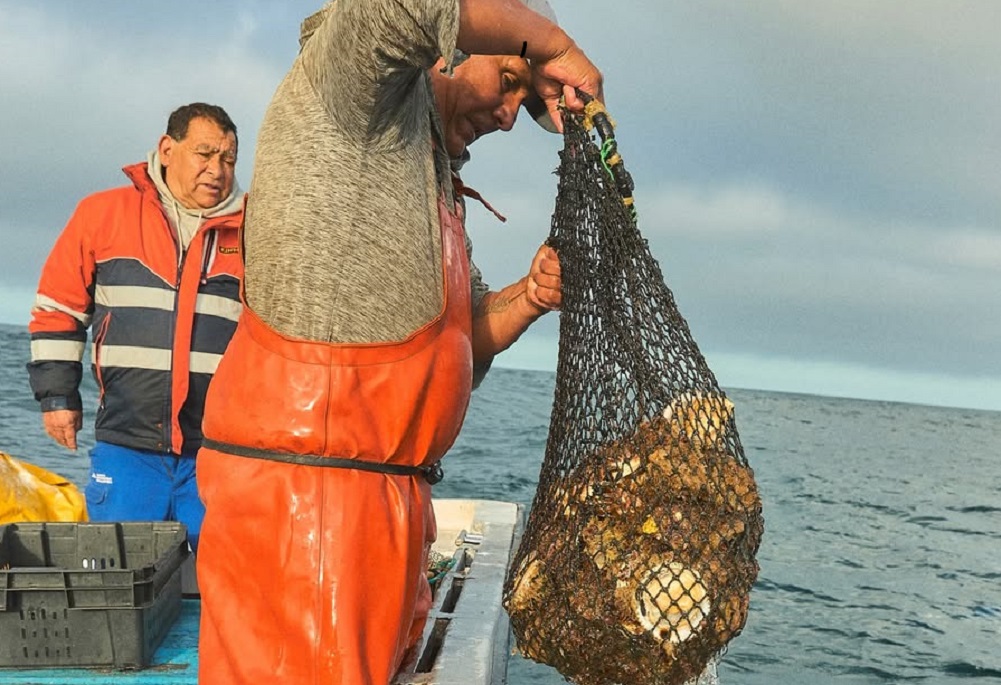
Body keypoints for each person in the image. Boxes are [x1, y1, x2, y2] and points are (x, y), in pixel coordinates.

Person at [194, 0, 601, 683]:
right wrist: (555, 46)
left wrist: (529, 296)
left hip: (385, 508)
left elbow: (463, 346)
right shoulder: (352, 85)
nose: (508, 115)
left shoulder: (432, 175)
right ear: (446, 49)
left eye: (523, 103)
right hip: (307, 507)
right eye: (508, 81)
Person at [27, 103, 245, 552]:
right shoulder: (102, 214)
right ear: (167, 149)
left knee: (217, 586)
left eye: (228, 159)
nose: (216, 170)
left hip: (219, 453)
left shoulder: (256, 231)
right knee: (114, 576)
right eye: (204, 154)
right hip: (126, 446)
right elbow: (58, 311)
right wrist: (57, 398)